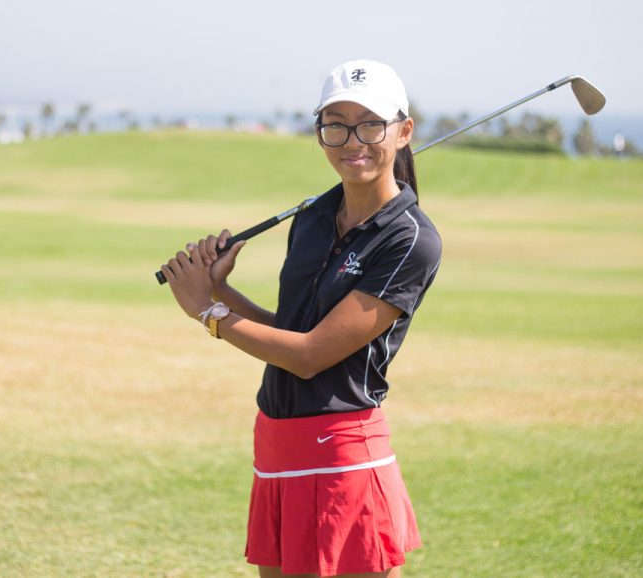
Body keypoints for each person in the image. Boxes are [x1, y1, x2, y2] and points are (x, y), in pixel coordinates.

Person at [161, 59, 442, 578]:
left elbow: (312, 357)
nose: (352, 139)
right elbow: (292, 335)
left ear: (403, 132)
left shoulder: (410, 240)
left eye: (370, 123)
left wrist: (208, 311)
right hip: (276, 442)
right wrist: (219, 289)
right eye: (336, 124)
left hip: (341, 454)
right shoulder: (312, 218)